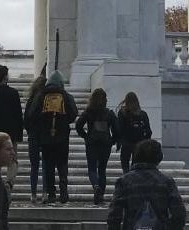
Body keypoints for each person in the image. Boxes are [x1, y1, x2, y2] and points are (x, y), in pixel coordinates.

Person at [35, 70, 78, 204]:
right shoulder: (66, 96)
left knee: (49, 165)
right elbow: (73, 113)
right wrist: (64, 123)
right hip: (62, 137)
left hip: (46, 138)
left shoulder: (41, 95)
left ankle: (51, 193)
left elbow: (33, 114)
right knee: (62, 165)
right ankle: (64, 192)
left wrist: (42, 126)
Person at [75, 87, 118, 205]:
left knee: (92, 168)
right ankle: (101, 196)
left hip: (92, 143)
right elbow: (117, 129)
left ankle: (95, 186)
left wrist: (85, 136)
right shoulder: (109, 113)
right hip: (105, 144)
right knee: (102, 169)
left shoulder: (88, 112)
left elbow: (78, 125)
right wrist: (112, 140)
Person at [21, 68, 48, 203]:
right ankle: (44, 192)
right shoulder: (47, 100)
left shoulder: (31, 101)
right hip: (46, 136)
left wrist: (30, 131)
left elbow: (26, 120)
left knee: (34, 166)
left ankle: (33, 194)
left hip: (33, 136)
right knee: (45, 165)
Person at [115, 91, 153, 173]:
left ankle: (126, 178)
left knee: (125, 164)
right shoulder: (143, 114)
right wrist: (146, 142)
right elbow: (149, 131)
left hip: (126, 143)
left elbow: (119, 129)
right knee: (136, 165)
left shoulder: (122, 113)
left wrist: (118, 142)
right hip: (139, 144)